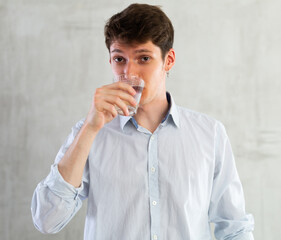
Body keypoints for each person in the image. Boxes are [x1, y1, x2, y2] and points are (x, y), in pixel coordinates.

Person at [31, 3, 254, 240]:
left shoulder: (211, 135)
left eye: (144, 58)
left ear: (168, 61)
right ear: (110, 61)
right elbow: (46, 220)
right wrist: (89, 129)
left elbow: (235, 228)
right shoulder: (89, 133)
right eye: (119, 59)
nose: (130, 72)